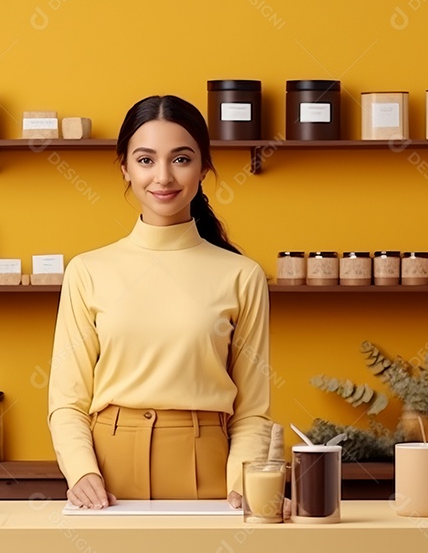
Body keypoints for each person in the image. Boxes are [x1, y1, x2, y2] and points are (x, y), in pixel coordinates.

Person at [47, 94, 274, 510]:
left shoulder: (241, 275)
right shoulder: (87, 271)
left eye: (181, 159)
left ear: (204, 167)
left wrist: (245, 480)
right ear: (125, 166)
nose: (163, 177)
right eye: (146, 160)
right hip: (106, 473)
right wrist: (82, 472)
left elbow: (253, 408)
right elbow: (67, 399)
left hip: (210, 468)